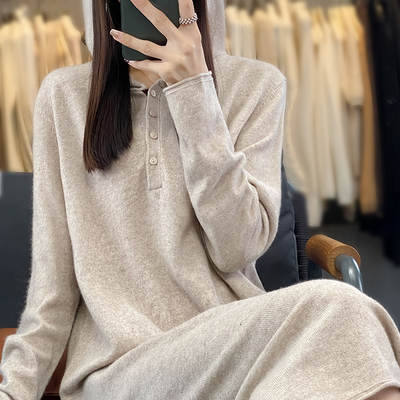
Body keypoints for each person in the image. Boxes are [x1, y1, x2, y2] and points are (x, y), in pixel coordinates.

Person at [1, 0, 400, 399]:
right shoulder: (64, 97)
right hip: (124, 374)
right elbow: (51, 295)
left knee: (344, 321)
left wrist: (194, 92)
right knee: (342, 309)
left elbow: (237, 248)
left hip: (234, 356)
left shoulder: (257, 86)